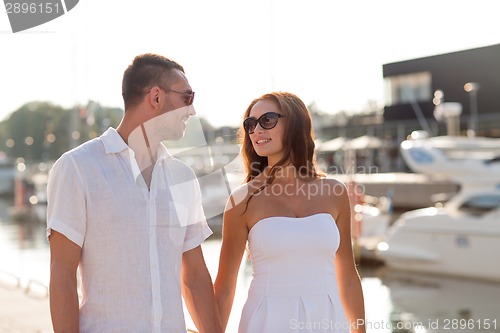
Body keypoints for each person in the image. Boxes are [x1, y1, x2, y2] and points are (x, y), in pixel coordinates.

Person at [47, 53, 222, 333]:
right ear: (156, 97)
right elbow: (62, 275)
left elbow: (194, 277)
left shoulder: (183, 177)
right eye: (187, 98)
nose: (192, 110)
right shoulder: (77, 167)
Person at [214, 92, 366, 333]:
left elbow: (347, 277)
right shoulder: (242, 200)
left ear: (295, 124)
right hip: (266, 323)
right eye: (251, 124)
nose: (256, 130)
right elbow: (224, 288)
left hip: (329, 321)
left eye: (268, 120)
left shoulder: (334, 192)